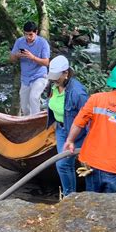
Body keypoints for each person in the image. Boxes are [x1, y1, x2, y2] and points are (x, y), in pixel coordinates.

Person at [63, 62, 116, 193]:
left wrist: (70, 141)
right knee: (114, 209)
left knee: (93, 207)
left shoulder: (96, 99)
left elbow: (79, 122)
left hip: (92, 164)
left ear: (111, 82)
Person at [46, 55, 89, 197]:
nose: (53, 79)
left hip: (78, 133)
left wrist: (90, 141)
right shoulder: (54, 86)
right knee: (65, 165)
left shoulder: (78, 93)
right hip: (61, 129)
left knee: (63, 164)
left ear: (66, 73)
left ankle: (71, 196)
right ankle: (69, 195)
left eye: (56, 76)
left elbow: (89, 117)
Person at [10, 21, 50, 115]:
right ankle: (28, 121)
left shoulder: (43, 43)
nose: (28, 37)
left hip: (39, 76)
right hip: (25, 78)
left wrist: (33, 57)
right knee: (24, 105)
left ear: (36, 32)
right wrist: (17, 55)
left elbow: (46, 62)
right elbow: (11, 59)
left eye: (31, 34)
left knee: (34, 97)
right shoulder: (20, 41)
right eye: (26, 34)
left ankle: (36, 121)